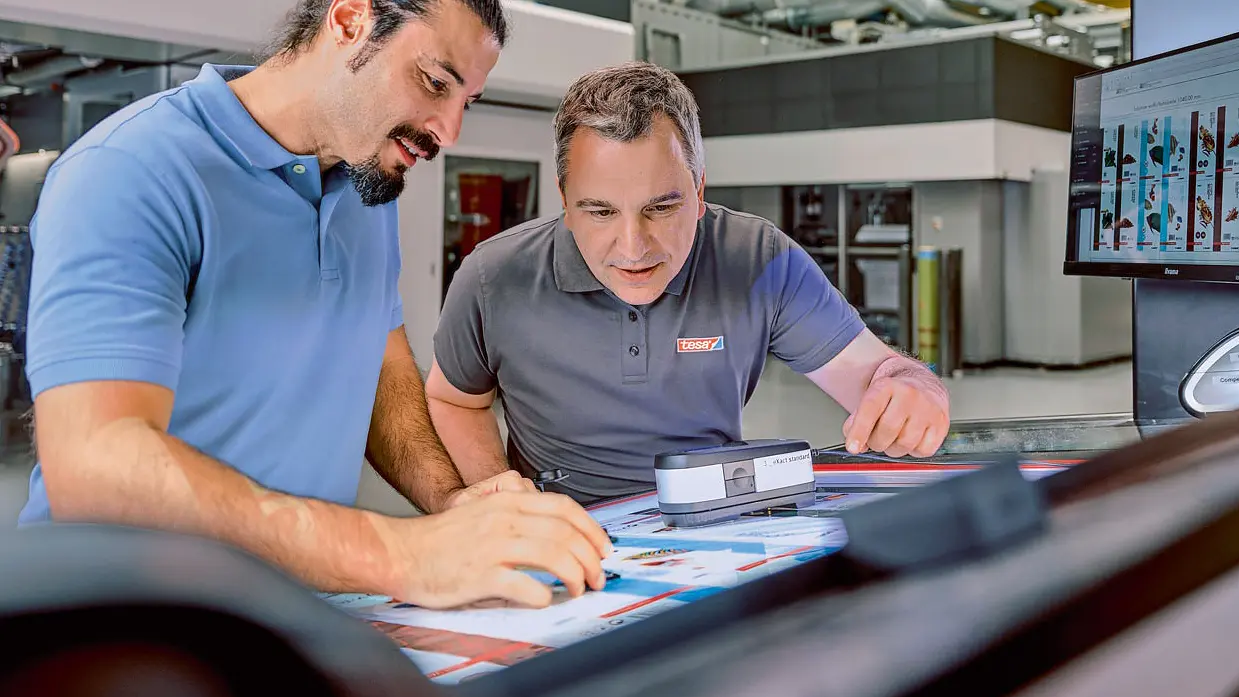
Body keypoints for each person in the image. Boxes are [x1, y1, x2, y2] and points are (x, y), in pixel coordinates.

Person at [18, 0, 612, 610]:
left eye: (467, 101)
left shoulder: (366, 190)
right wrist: (398, 554)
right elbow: (94, 466)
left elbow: (380, 366)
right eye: (435, 83)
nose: (448, 131)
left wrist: (451, 501)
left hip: (285, 613)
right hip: (113, 623)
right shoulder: (131, 170)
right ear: (350, 20)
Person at [427, 61, 951, 505]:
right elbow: (455, 400)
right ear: (565, 201)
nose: (634, 248)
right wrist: (496, 497)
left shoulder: (759, 260)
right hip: (560, 533)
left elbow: (879, 372)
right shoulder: (494, 277)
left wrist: (913, 385)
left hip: (715, 522)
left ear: (699, 191)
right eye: (601, 211)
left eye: (662, 207)